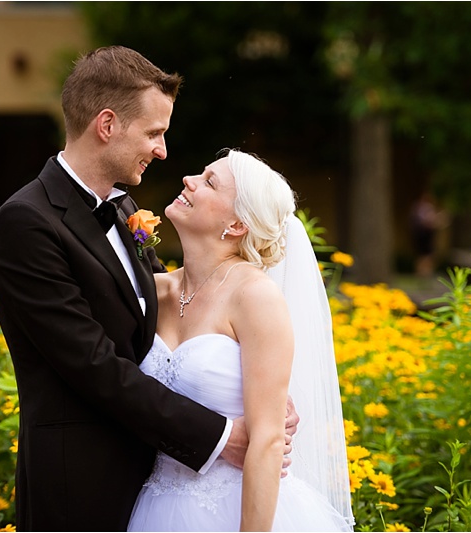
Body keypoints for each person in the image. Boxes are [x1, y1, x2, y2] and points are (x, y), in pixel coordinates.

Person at [0, 47, 298, 531]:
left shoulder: (124, 206)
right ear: (107, 125)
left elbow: (160, 322)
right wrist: (220, 433)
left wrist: (254, 389)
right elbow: (94, 366)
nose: (163, 151)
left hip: (155, 484)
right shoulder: (27, 223)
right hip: (79, 487)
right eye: (154, 133)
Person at [128, 149, 356, 531]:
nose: (189, 180)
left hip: (235, 509)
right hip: (153, 505)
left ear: (236, 225)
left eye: (209, 181)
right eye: (201, 173)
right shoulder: (151, 291)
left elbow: (268, 439)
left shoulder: (255, 297)